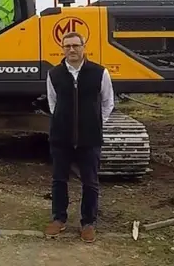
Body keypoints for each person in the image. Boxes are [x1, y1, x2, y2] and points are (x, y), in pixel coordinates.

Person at [44, 31, 114, 243]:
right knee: (59, 180)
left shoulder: (99, 73)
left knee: (90, 182)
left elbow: (107, 103)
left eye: (76, 45)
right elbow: (53, 104)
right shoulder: (54, 74)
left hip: (89, 138)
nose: (72, 50)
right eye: (67, 46)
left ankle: (88, 223)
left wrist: (93, 123)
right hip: (61, 137)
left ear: (84, 47)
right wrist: (64, 123)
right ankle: (59, 219)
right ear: (62, 49)